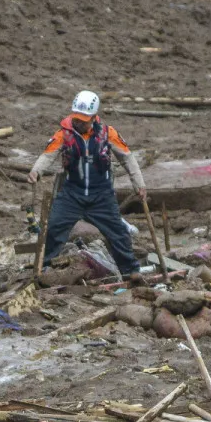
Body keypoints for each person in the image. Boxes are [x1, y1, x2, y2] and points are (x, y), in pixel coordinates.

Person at [28, 91, 149, 281]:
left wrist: (139, 184)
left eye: (84, 120)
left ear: (93, 117)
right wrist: (36, 171)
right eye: (77, 119)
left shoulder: (108, 133)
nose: (80, 123)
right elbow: (48, 155)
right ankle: (44, 269)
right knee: (53, 228)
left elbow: (127, 157)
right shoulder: (64, 134)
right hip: (72, 193)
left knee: (118, 232)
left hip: (101, 194)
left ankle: (130, 271)